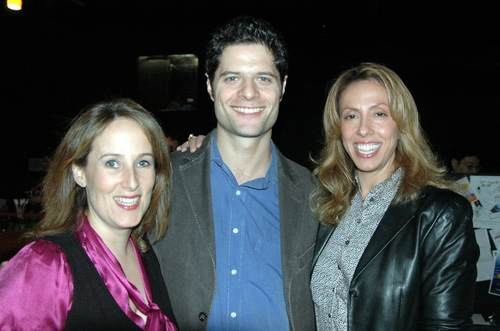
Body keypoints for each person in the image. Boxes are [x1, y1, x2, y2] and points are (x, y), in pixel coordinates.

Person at [153, 16, 318, 330]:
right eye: (232, 78)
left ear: (282, 87)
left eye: (264, 79)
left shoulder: (315, 195)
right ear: (209, 85)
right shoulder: (162, 180)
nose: (249, 92)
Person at [309, 63, 479, 330]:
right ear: (338, 129)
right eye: (351, 116)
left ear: (401, 123)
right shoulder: (326, 208)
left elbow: (447, 326)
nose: (363, 130)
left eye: (379, 113)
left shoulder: (441, 215)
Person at [0, 99, 178, 330]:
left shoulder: (148, 255)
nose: (132, 181)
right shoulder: (47, 265)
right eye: (113, 163)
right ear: (79, 172)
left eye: (143, 162)